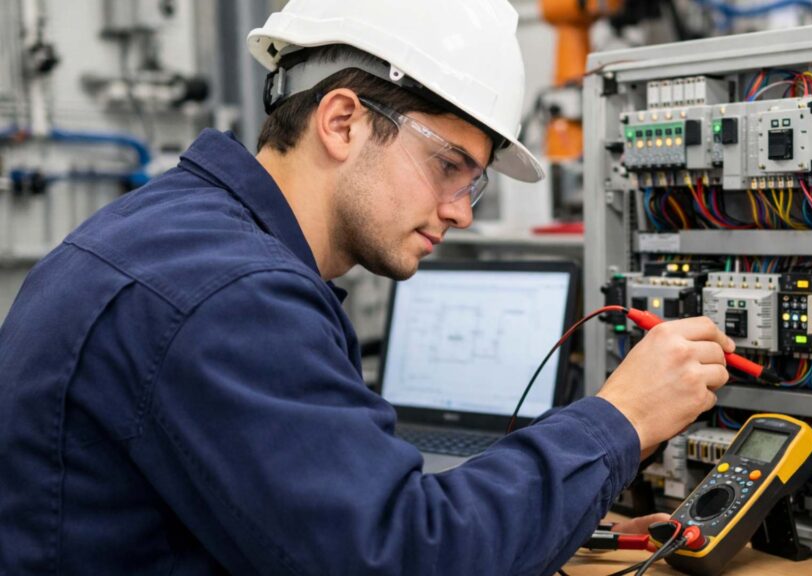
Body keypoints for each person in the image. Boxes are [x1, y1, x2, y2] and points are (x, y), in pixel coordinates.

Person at [0, 0, 733, 574]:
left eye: (473, 184)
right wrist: (621, 418)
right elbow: (410, 556)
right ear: (343, 121)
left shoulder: (178, 235)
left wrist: (573, 509)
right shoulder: (227, 296)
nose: (457, 209)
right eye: (449, 166)